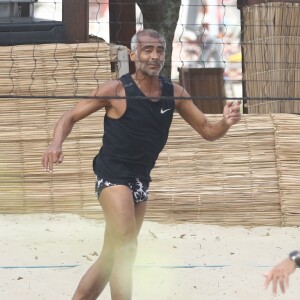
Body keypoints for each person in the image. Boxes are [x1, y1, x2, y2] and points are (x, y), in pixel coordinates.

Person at [42, 29, 241, 300]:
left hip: (139, 181)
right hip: (112, 176)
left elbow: (207, 130)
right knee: (126, 248)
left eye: (159, 51)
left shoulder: (175, 93)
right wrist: (56, 144)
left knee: (112, 254)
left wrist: (225, 123)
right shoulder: (116, 90)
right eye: (147, 50)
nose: (154, 56)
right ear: (134, 55)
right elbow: (69, 116)